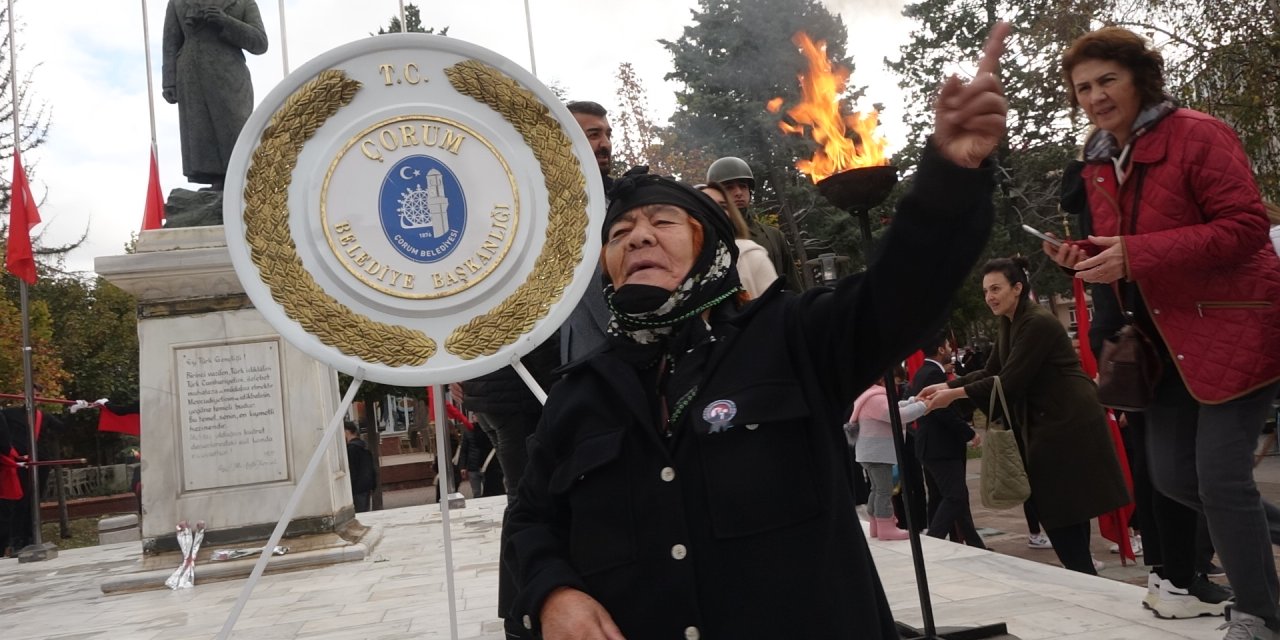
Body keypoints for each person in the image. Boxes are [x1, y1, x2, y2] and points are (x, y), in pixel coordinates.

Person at [503, 22, 1009, 639]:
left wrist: (951, 177)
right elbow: (530, 519)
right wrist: (553, 592)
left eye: (662, 221)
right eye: (618, 234)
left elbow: (904, 287)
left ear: (712, 251)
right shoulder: (581, 393)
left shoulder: (790, 338)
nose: (637, 235)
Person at [1046, 26, 1280, 638]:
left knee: (1220, 478)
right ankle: (1262, 556)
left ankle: (1257, 613)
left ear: (1140, 77)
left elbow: (1247, 227)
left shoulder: (1199, 133)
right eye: (1083, 88)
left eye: (1107, 80)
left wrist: (1136, 253)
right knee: (1176, 479)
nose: (1095, 96)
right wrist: (1082, 254)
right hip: (1158, 345)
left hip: (1234, 329)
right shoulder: (1099, 156)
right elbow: (1121, 248)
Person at [921, 257, 1130, 574]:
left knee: (1063, 512)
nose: (990, 296)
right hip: (1047, 424)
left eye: (996, 289)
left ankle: (1084, 577)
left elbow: (1011, 381)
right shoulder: (1009, 321)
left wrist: (952, 394)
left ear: (1017, 288)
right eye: (986, 290)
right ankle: (1082, 576)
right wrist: (945, 384)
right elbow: (992, 370)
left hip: (1067, 425)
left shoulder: (1036, 322)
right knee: (1060, 513)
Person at [162, 0, 268, 189]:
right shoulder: (177, 2)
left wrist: (225, 21)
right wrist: (169, 80)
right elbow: (170, 43)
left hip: (230, 74)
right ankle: (217, 185)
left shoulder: (243, 2)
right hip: (192, 75)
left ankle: (243, 183)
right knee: (201, 133)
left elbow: (260, 42)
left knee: (237, 130)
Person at [910, 333, 985, 548]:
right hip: (940, 447)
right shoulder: (933, 374)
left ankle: (973, 542)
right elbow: (941, 411)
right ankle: (933, 542)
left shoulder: (924, 372)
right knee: (955, 496)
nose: (951, 350)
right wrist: (969, 433)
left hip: (931, 446)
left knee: (941, 497)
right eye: (947, 346)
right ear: (941, 349)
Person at [560, 100, 617, 364]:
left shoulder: (611, 198)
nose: (605, 143)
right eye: (593, 135)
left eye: (607, 134)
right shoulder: (564, 204)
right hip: (599, 360)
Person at [706, 156, 805, 290]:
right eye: (729, 188)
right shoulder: (706, 236)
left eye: (743, 186)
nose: (739, 193)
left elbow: (793, 287)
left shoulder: (774, 236)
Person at [850, 381, 926, 541]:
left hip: (870, 453)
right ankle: (886, 527)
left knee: (876, 489)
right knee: (884, 490)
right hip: (878, 454)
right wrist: (923, 406)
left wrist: (913, 401)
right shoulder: (875, 398)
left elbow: (894, 407)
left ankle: (876, 525)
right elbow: (897, 415)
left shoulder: (869, 394)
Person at [698, 181, 779, 297]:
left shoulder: (750, 254)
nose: (715, 211)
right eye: (706, 205)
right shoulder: (675, 262)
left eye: (723, 206)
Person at [344, 421, 376, 513]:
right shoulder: (363, 447)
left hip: (357, 489)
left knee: (359, 515)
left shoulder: (351, 449)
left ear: (347, 432)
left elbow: (352, 471)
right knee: (365, 513)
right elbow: (371, 469)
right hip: (366, 487)